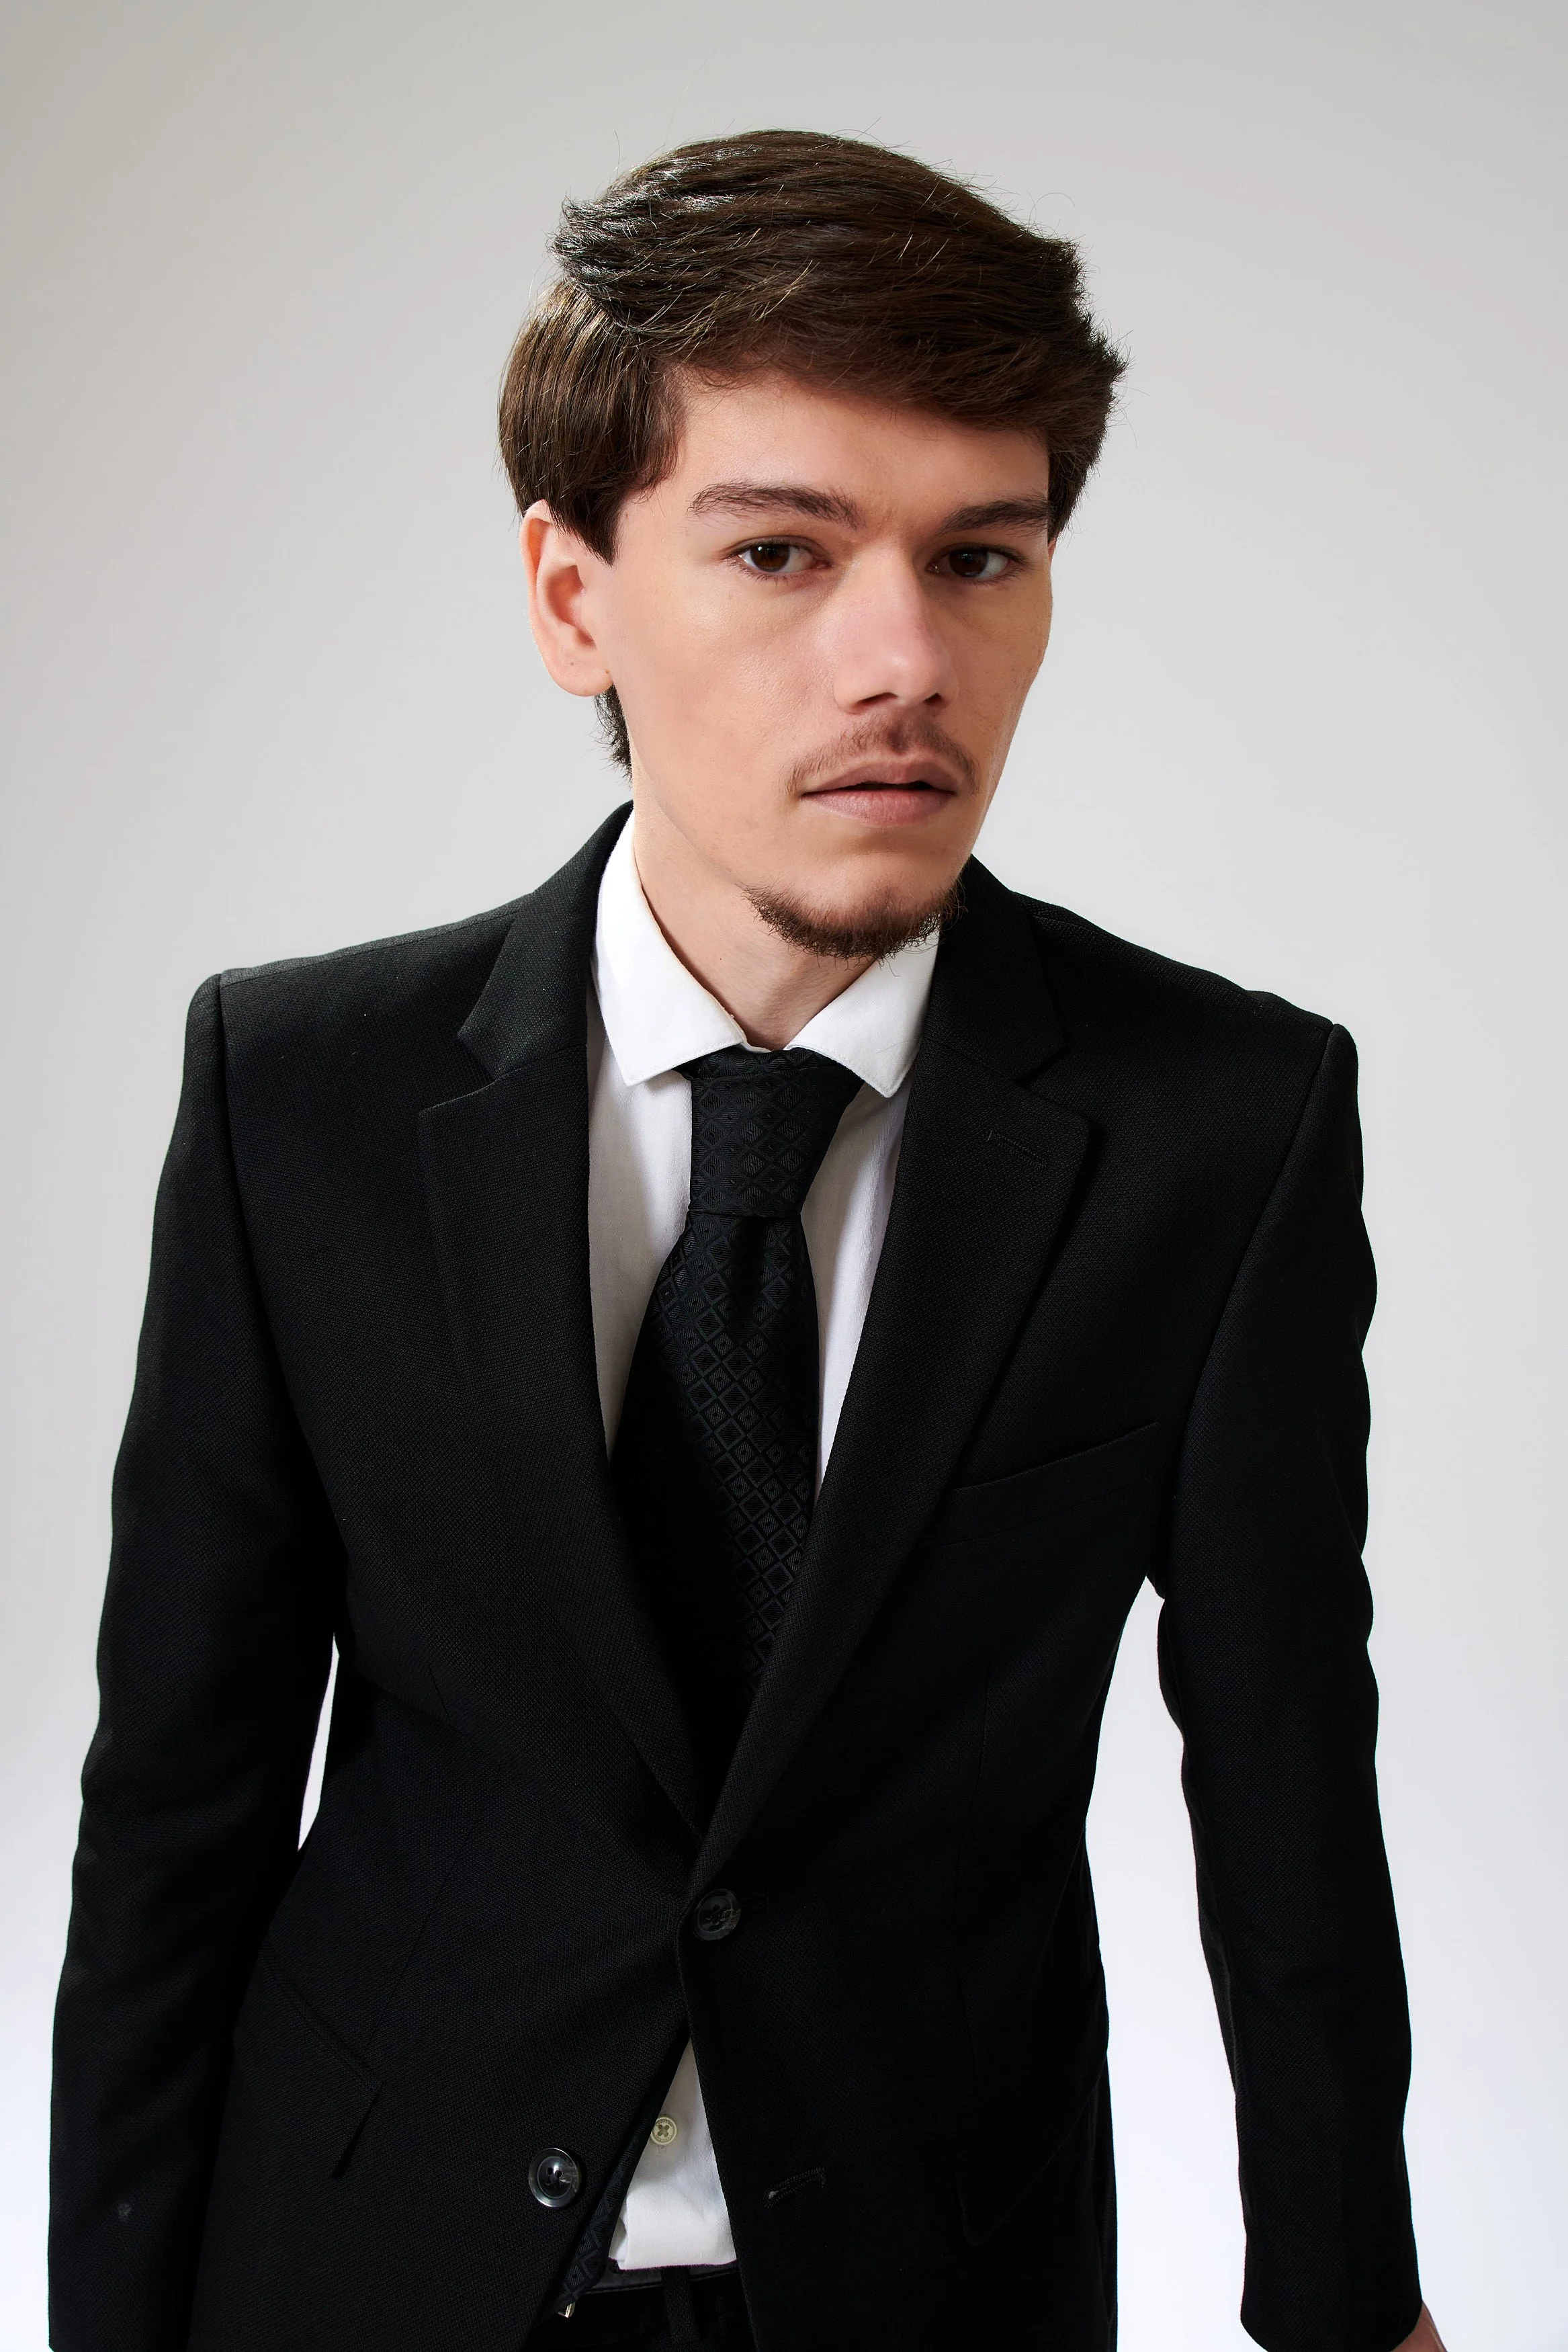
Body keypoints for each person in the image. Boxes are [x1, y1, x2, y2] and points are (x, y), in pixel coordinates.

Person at [49, 130, 1446, 2352]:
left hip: (922, 2269)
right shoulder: (298, 1092)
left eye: (979, 555)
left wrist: (1351, 2303)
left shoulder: (1215, 1124)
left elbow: (1280, 1777)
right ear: (572, 592)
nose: (903, 657)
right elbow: (175, 1816)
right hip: (366, 2266)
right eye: (782, 550)